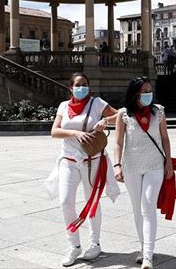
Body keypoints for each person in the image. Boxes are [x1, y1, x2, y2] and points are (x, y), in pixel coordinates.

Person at [46, 73, 120, 267]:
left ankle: (94, 243)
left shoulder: (96, 103)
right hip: (68, 161)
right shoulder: (63, 106)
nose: (81, 88)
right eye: (78, 85)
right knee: (65, 201)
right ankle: (74, 245)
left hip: (92, 161)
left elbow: (120, 115)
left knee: (92, 201)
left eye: (85, 85)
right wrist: (74, 132)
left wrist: (105, 121)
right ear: (71, 88)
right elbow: (54, 131)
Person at [113, 76, 174, 269]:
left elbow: (165, 138)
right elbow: (118, 142)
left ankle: (148, 255)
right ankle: (143, 246)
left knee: (147, 207)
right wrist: (117, 165)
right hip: (131, 166)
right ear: (135, 93)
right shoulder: (123, 114)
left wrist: (169, 162)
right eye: (144, 91)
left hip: (154, 165)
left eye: (150, 91)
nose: (148, 94)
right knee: (136, 209)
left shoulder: (159, 112)